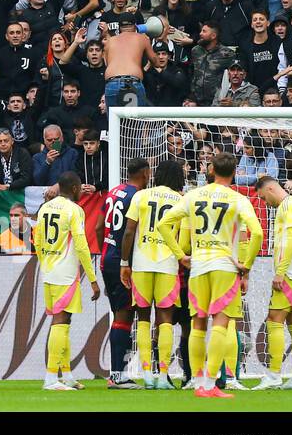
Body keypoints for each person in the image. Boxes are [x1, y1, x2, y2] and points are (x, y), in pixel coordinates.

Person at [155, 151, 263, 398]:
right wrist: (246, 265)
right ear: (234, 173)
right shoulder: (238, 199)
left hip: (199, 265)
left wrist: (181, 256)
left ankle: (196, 379)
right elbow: (256, 234)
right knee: (221, 324)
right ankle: (210, 384)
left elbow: (163, 224)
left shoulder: (193, 196)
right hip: (225, 266)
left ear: (211, 170)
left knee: (198, 324)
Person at [120, 157, 186, 390]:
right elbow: (183, 237)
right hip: (168, 265)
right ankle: (163, 375)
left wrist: (124, 262)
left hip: (141, 264)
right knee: (166, 319)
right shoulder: (181, 200)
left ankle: (147, 373)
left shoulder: (141, 196)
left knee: (144, 318)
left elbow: (129, 232)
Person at [34, 171, 101, 392]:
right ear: (74, 188)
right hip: (66, 274)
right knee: (61, 322)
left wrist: (46, 263)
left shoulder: (45, 208)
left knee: (64, 321)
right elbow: (81, 245)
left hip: (49, 271)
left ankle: (67, 375)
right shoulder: (75, 210)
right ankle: (51, 378)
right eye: (80, 187)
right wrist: (92, 279)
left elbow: (37, 240)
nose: (82, 190)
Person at [253, 175, 292, 391]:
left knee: (274, 320)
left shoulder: (287, 207)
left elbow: (291, 239)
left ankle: (274, 374)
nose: (265, 203)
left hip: (290, 273)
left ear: (269, 189)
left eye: (263, 198)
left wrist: (280, 272)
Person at [99, 156, 148, 390]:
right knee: (124, 316)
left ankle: (119, 373)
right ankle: (118, 375)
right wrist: (124, 260)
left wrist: (106, 249)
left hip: (107, 256)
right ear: (146, 173)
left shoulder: (114, 191)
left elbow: (99, 226)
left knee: (121, 313)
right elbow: (130, 231)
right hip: (122, 262)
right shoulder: (137, 196)